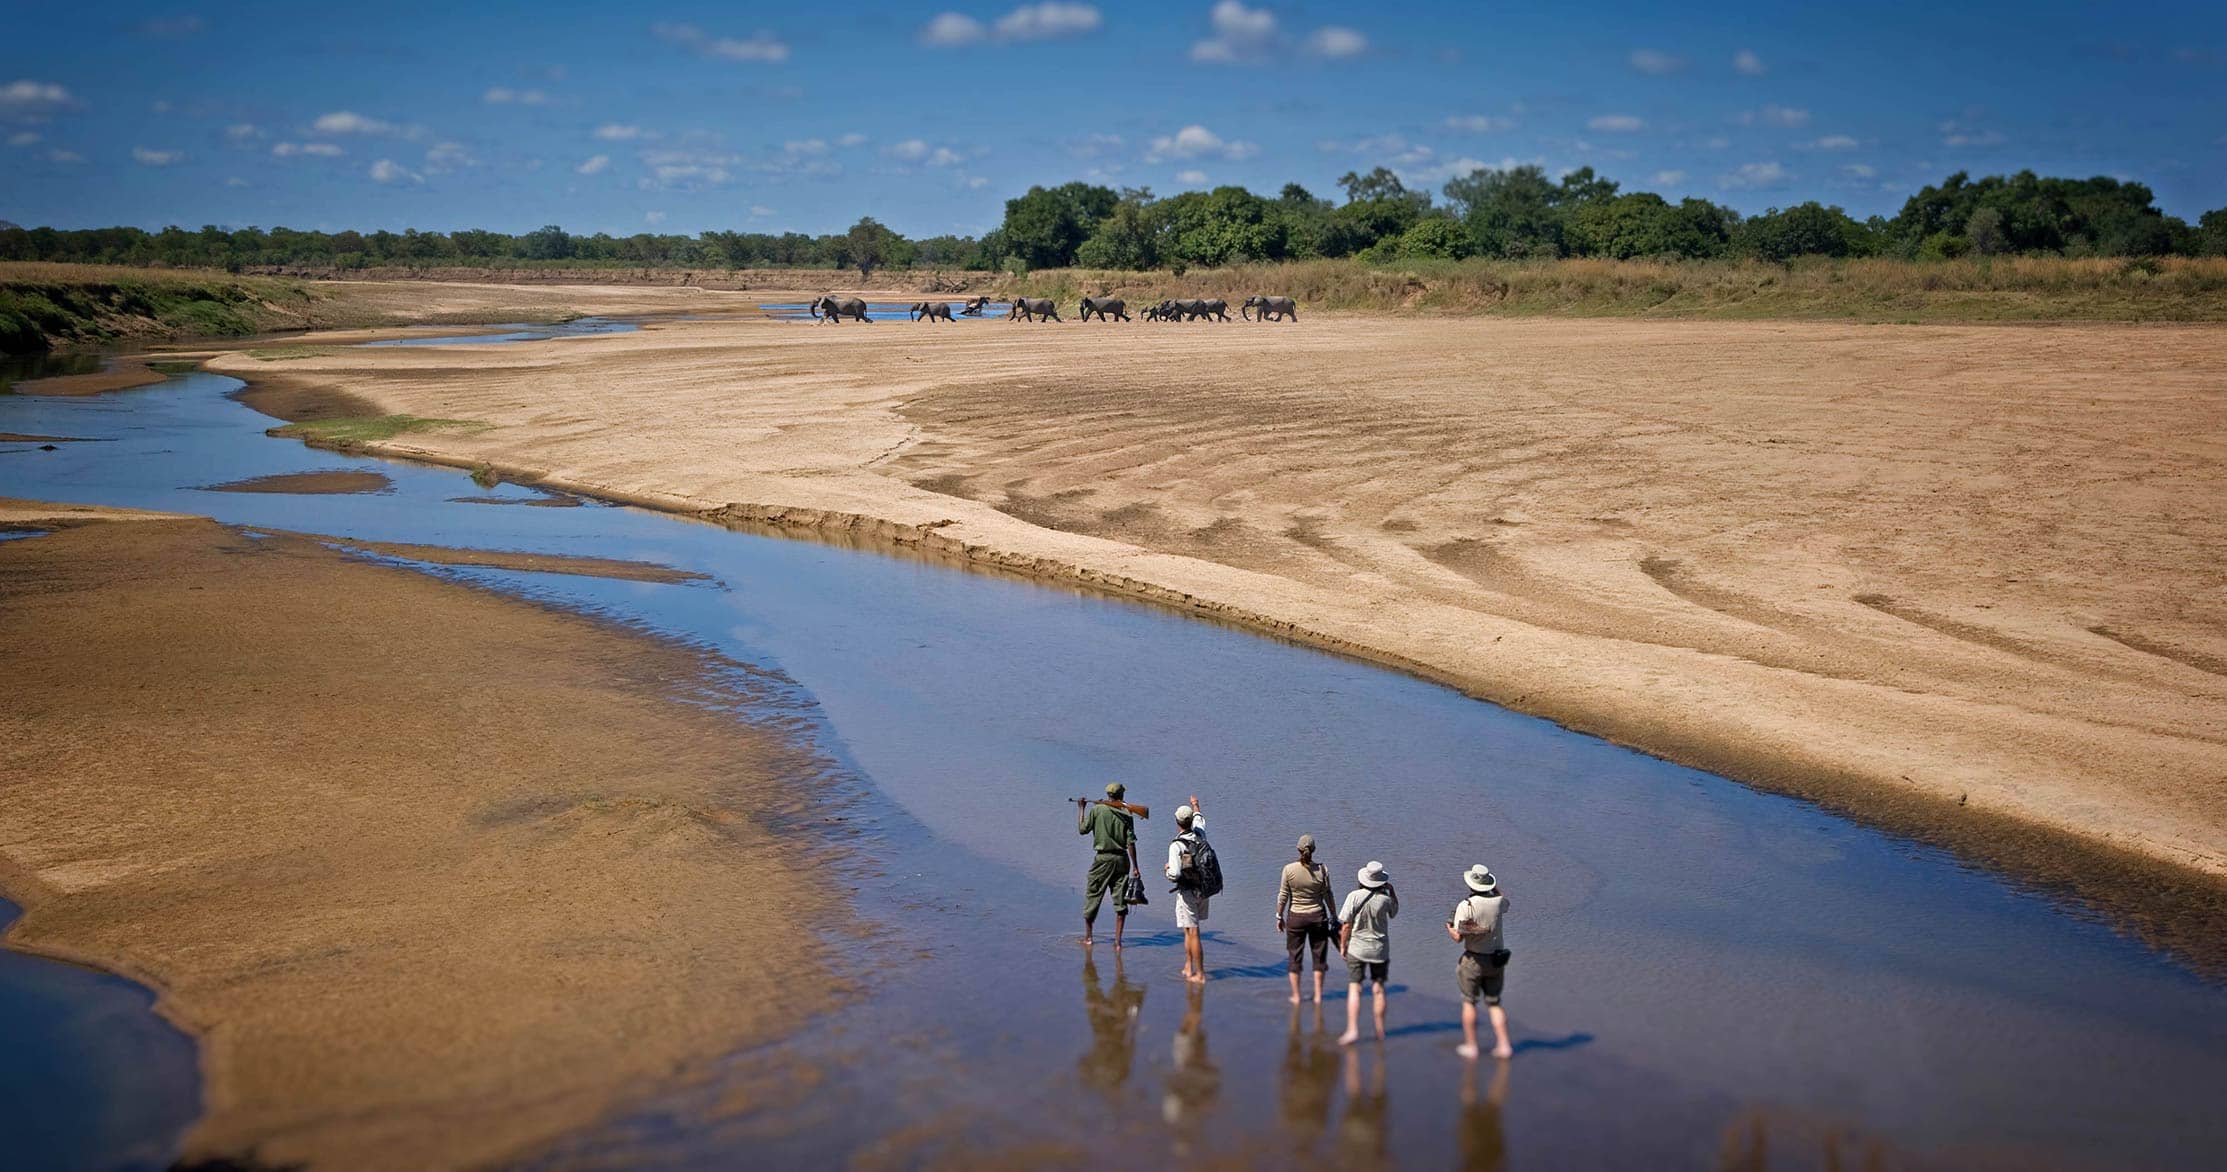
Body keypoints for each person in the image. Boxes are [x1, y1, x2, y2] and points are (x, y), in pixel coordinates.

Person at [1447, 863, 1513, 1060]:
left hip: (1473, 960)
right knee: (1494, 1003)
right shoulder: (1498, 902)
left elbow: (1458, 937)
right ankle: (1504, 1045)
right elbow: (1505, 902)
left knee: (1469, 1003)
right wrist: (1494, 887)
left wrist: (1448, 927)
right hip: (1496, 960)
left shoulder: (1466, 906)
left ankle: (1472, 1046)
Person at [1336, 860, 1399, 1045]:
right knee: (1378, 989)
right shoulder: (1385, 899)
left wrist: (1342, 945)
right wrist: (1392, 891)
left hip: (1357, 948)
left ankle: (1352, 1030)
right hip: (1379, 949)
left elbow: (1345, 924)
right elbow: (1394, 912)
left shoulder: (1354, 896)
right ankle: (1380, 1031)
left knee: (1355, 988)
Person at [1276, 834, 1338, 1004]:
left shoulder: (1288, 869)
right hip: (1318, 916)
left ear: (1298, 849)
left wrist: (1279, 916)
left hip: (1296, 917)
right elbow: (1327, 894)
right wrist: (1334, 914)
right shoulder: (1322, 869)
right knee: (1319, 956)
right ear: (1314, 850)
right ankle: (1318, 996)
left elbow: (1283, 896)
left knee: (1294, 956)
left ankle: (1296, 996)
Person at [1077, 783, 1140, 947]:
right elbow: (1130, 843)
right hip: (1121, 860)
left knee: (1093, 895)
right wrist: (1135, 867)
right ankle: (1118, 942)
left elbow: (1082, 829)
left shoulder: (1097, 810)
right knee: (1120, 901)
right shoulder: (1127, 812)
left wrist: (1082, 808)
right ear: (1121, 796)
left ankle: (1089, 938)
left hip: (1102, 860)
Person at [1165, 795, 1211, 982]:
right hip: (1204, 888)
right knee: (1188, 928)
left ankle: (1199, 974)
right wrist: (1196, 805)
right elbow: (1200, 818)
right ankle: (1188, 966)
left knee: (1193, 931)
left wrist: (1167, 870)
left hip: (1187, 891)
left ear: (1177, 822)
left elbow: (1175, 874)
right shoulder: (1200, 834)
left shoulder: (1176, 845)